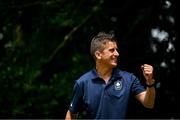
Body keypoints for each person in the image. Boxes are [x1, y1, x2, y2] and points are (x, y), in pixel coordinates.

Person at [65, 32, 156, 119]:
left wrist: (149, 82)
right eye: (112, 50)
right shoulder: (82, 83)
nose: (117, 54)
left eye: (116, 50)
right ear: (98, 55)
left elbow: (149, 103)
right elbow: (71, 113)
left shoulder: (129, 78)